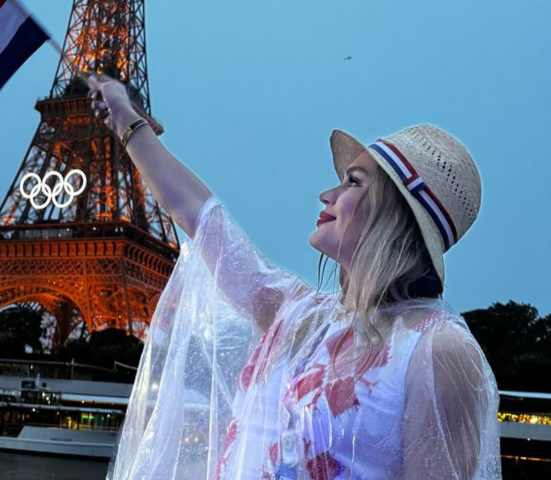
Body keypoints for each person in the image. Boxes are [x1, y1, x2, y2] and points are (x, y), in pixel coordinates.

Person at [88, 75, 501, 480]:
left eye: (353, 182)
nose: (328, 195)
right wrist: (126, 118)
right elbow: (201, 217)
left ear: (395, 213)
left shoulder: (438, 350)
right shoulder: (303, 319)